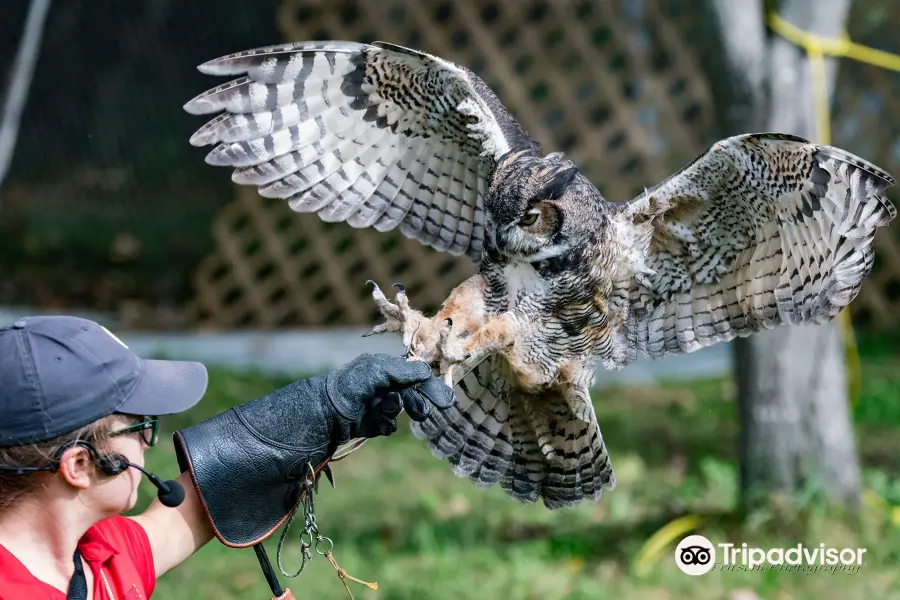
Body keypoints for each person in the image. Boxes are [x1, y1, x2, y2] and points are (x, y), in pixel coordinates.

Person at [0, 315, 455, 599]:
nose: (148, 444)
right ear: (78, 466)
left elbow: (207, 497)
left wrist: (326, 408)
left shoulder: (96, 556)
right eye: (139, 426)